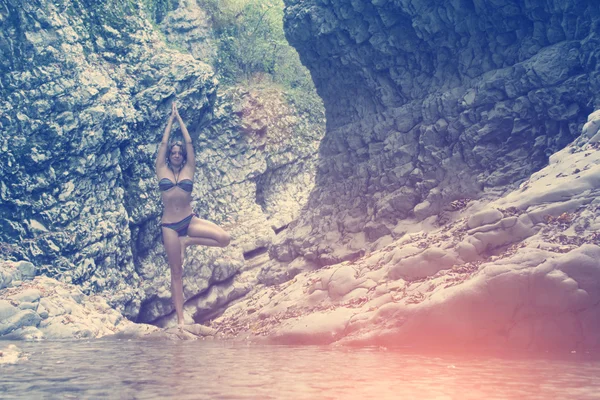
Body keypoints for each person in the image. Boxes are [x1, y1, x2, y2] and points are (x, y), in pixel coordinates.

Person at [156, 102, 231, 326]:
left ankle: (187, 241)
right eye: (174, 152)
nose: (178, 154)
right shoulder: (161, 169)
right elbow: (163, 143)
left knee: (224, 239)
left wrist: (180, 119)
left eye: (180, 153)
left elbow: (189, 142)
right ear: (170, 155)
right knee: (177, 272)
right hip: (169, 226)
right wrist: (170, 119)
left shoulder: (190, 168)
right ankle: (180, 319)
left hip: (189, 222)